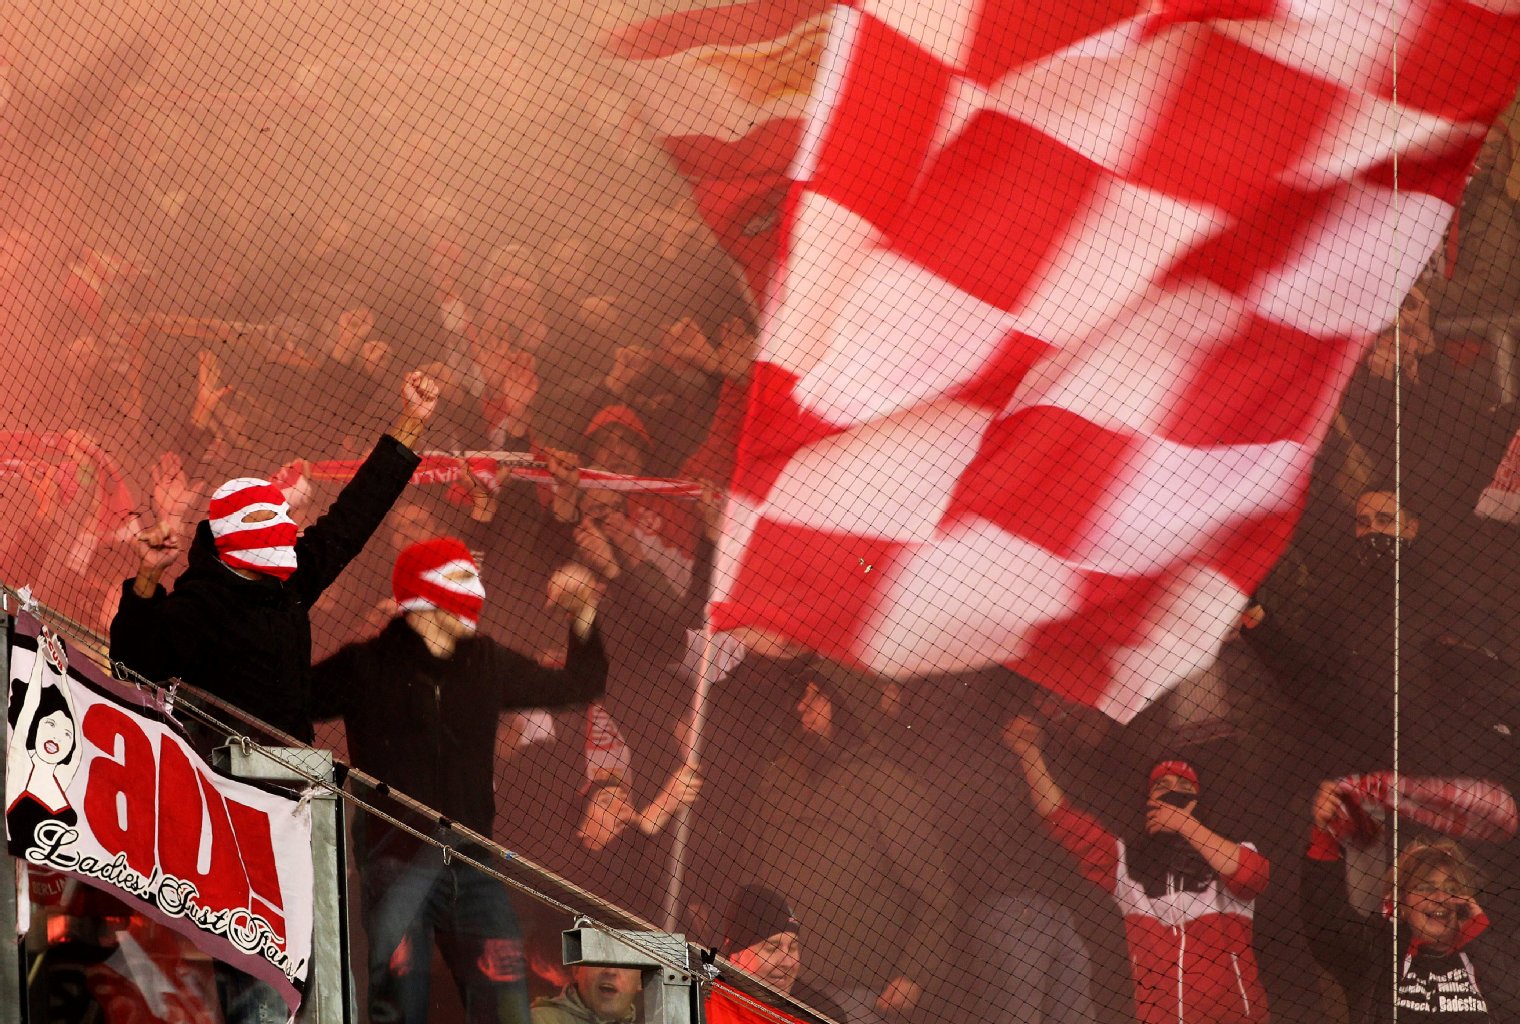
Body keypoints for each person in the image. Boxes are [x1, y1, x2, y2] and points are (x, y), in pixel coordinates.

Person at [309, 539, 608, 1024]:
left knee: (508, 1003)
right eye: (462, 579)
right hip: (396, 860)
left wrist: (585, 612)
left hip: (472, 860)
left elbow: (578, 685)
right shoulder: (366, 665)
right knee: (401, 1004)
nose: (479, 592)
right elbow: (291, 700)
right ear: (422, 592)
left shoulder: (486, 662)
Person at [108, 371, 438, 742]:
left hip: (294, 779)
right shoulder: (202, 602)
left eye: (284, 515)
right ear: (233, 532)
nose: (285, 525)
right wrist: (147, 578)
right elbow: (132, 667)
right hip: (220, 779)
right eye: (268, 518)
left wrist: (412, 420)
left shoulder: (291, 583)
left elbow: (355, 515)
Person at [1005, 715, 1269, 1024]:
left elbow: (1252, 876)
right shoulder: (1126, 864)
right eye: (1162, 786)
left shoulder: (1231, 852)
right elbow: (1064, 822)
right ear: (1148, 800)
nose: (1174, 793)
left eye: (1185, 787)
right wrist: (1029, 753)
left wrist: (1186, 826)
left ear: (1199, 801)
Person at [1302, 792, 1520, 1022]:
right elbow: (1328, 925)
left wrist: (1478, 936)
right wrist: (1324, 838)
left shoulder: (1489, 957)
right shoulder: (1377, 951)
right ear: (1402, 903)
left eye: (1450, 887)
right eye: (1425, 887)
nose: (1440, 897)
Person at [710, 884, 848, 1024]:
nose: (787, 962)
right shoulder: (705, 998)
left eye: (792, 947)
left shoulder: (822, 1014)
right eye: (772, 949)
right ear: (736, 956)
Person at [5, 628, 80, 855]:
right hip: (16, 868)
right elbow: (30, 707)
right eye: (51, 724)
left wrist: (64, 678)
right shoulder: (21, 763)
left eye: (67, 734)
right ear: (35, 729)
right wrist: (40, 658)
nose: (58, 736)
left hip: (52, 876)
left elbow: (79, 744)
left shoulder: (62, 777)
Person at [531, 965, 641, 1024]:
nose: (611, 971)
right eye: (598, 960)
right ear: (576, 970)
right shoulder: (538, 1020)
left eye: (624, 963)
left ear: (641, 981)